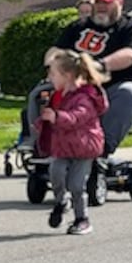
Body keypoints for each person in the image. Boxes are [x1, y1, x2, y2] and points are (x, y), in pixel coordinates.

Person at [27, 0, 132, 158]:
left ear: (119, 3)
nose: (101, 7)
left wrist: (98, 65)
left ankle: (101, 149)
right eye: (97, 1)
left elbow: (131, 54)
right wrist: (52, 63)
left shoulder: (130, 28)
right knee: (41, 92)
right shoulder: (78, 27)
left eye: (106, 2)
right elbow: (55, 49)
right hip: (75, 89)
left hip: (111, 89)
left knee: (129, 93)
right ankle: (43, 145)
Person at [35, 50, 108, 235]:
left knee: (76, 184)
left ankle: (82, 219)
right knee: (55, 172)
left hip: (84, 147)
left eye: (52, 73)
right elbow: (52, 116)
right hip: (63, 146)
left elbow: (77, 117)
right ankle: (61, 201)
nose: (49, 77)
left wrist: (57, 116)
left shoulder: (85, 97)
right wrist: (42, 122)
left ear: (67, 76)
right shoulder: (58, 95)